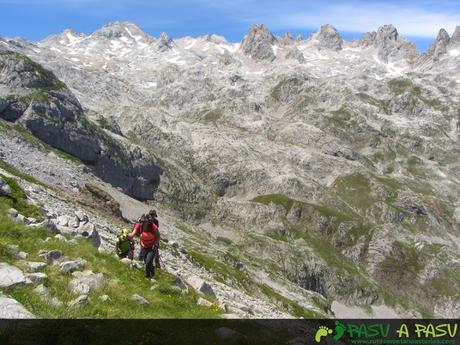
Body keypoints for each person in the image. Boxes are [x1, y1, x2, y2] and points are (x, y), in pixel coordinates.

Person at [127, 214, 160, 278]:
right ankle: (152, 272)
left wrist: (155, 244)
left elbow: (158, 237)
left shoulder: (153, 226)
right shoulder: (138, 225)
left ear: (148, 221)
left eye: (145, 222)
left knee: (148, 262)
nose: (143, 223)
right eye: (141, 221)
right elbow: (132, 234)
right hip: (144, 246)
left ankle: (147, 276)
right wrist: (126, 236)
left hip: (152, 246)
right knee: (146, 261)